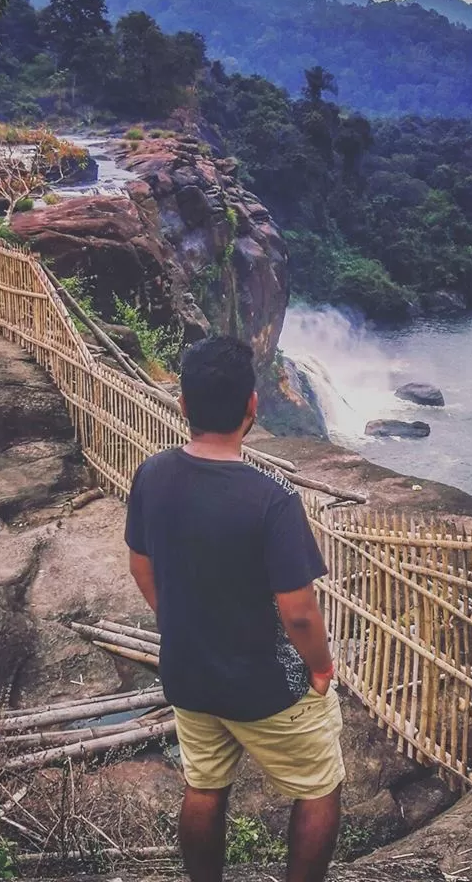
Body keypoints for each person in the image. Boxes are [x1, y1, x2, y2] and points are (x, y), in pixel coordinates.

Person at [125, 335, 344, 882]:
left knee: (204, 784)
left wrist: (182, 624)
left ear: (183, 404)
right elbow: (297, 612)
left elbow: (140, 567)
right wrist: (319, 667)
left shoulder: (152, 475)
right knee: (320, 787)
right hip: (263, 683)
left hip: (189, 673)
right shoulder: (272, 500)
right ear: (252, 405)